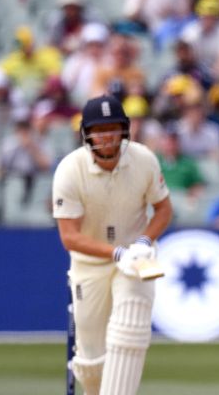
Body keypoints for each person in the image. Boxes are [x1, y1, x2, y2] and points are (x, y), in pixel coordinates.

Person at [52, 94, 173, 395]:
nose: (107, 136)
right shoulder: (70, 170)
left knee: (129, 331)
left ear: (124, 131)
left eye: (113, 128)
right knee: (91, 362)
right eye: (99, 130)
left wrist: (143, 242)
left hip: (136, 260)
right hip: (90, 266)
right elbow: (69, 237)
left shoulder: (143, 159)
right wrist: (116, 252)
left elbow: (164, 209)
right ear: (86, 134)